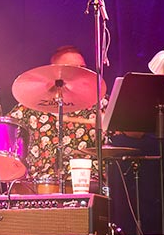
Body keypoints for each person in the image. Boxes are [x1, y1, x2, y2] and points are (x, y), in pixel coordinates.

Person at [13, 45, 101, 190]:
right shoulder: (30, 105)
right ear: (54, 73)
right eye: (73, 69)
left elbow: (131, 131)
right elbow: (0, 129)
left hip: (88, 185)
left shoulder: (97, 103)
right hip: (40, 186)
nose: (81, 73)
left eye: (83, 68)